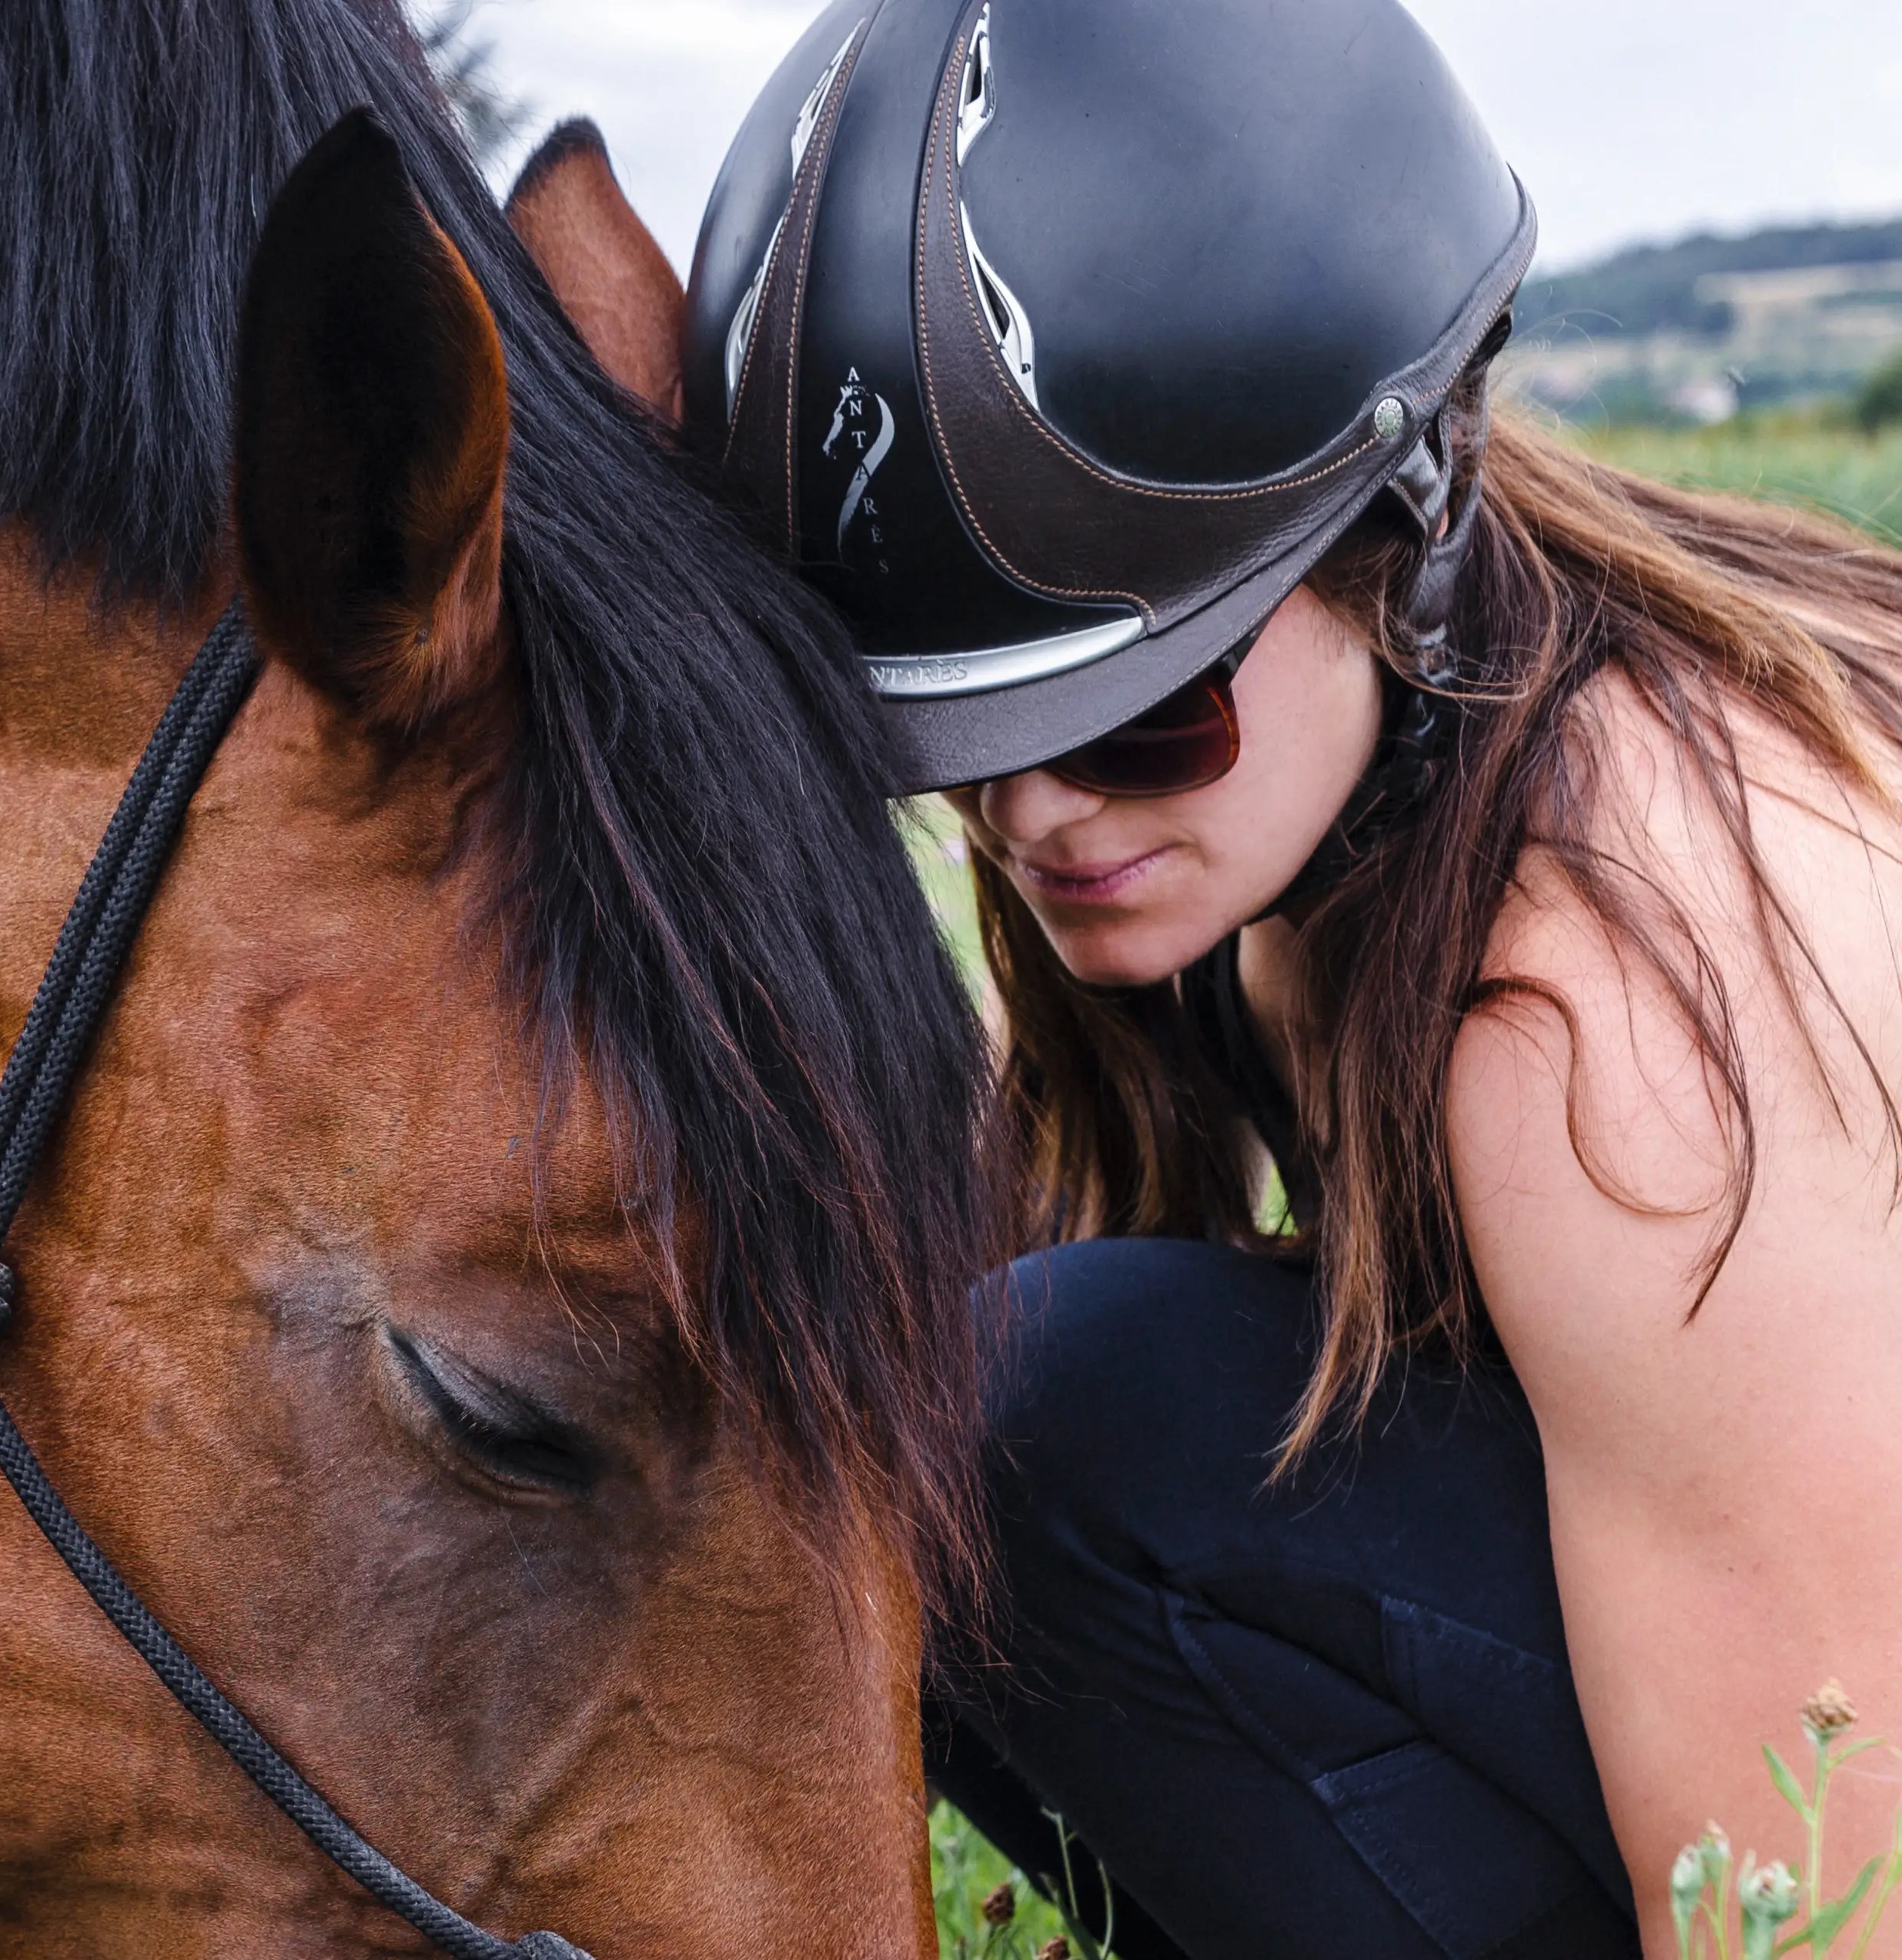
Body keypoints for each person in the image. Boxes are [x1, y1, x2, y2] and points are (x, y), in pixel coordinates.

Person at [684, 2, 1902, 1955]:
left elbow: (1831, 1900)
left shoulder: (1614, 1012)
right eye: (960, 740)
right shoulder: (1269, 844)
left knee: (1045, 1416)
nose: (1036, 809)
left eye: (1140, 711)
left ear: (1400, 533)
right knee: (919, 1423)